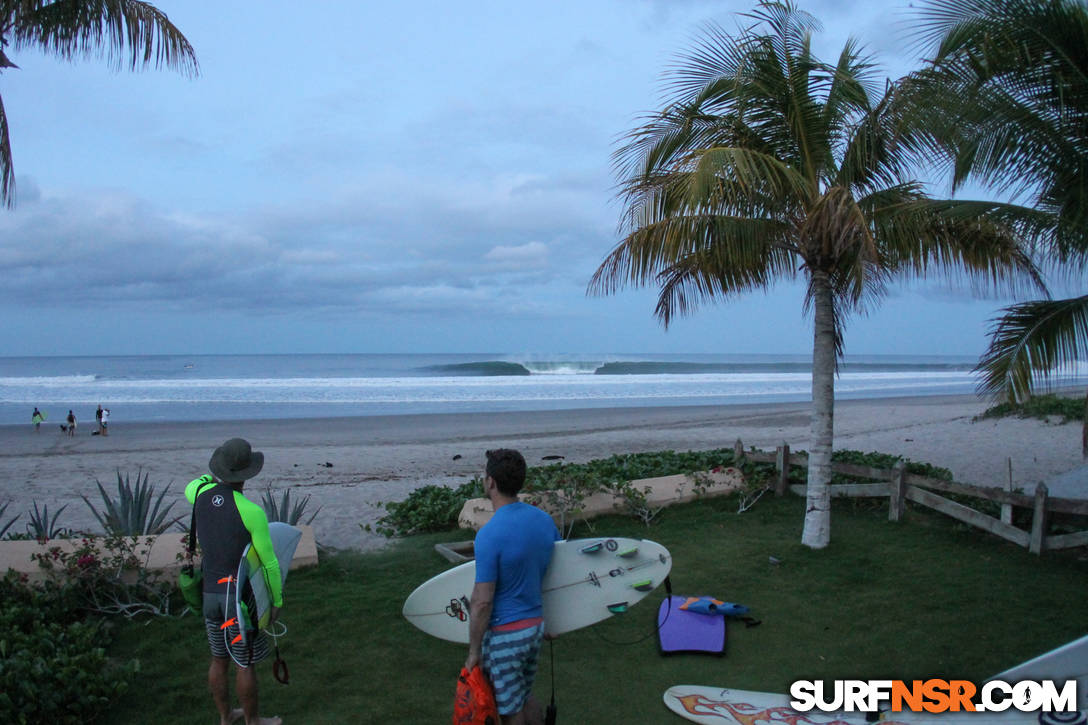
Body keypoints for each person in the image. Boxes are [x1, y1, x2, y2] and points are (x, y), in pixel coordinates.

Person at [185, 438, 283, 725]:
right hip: (235, 604)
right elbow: (270, 563)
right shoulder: (252, 512)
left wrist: (213, 478)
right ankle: (253, 721)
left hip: (209, 595)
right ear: (248, 473)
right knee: (244, 661)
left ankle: (226, 717)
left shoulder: (199, 493)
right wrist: (276, 601)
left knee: (218, 659)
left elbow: (195, 482)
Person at [465, 449, 560, 725]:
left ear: (490, 482)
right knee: (524, 694)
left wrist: (473, 651)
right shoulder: (543, 521)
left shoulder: (489, 535)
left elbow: (483, 601)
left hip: (505, 634)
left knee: (509, 711)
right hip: (534, 628)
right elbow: (556, 574)